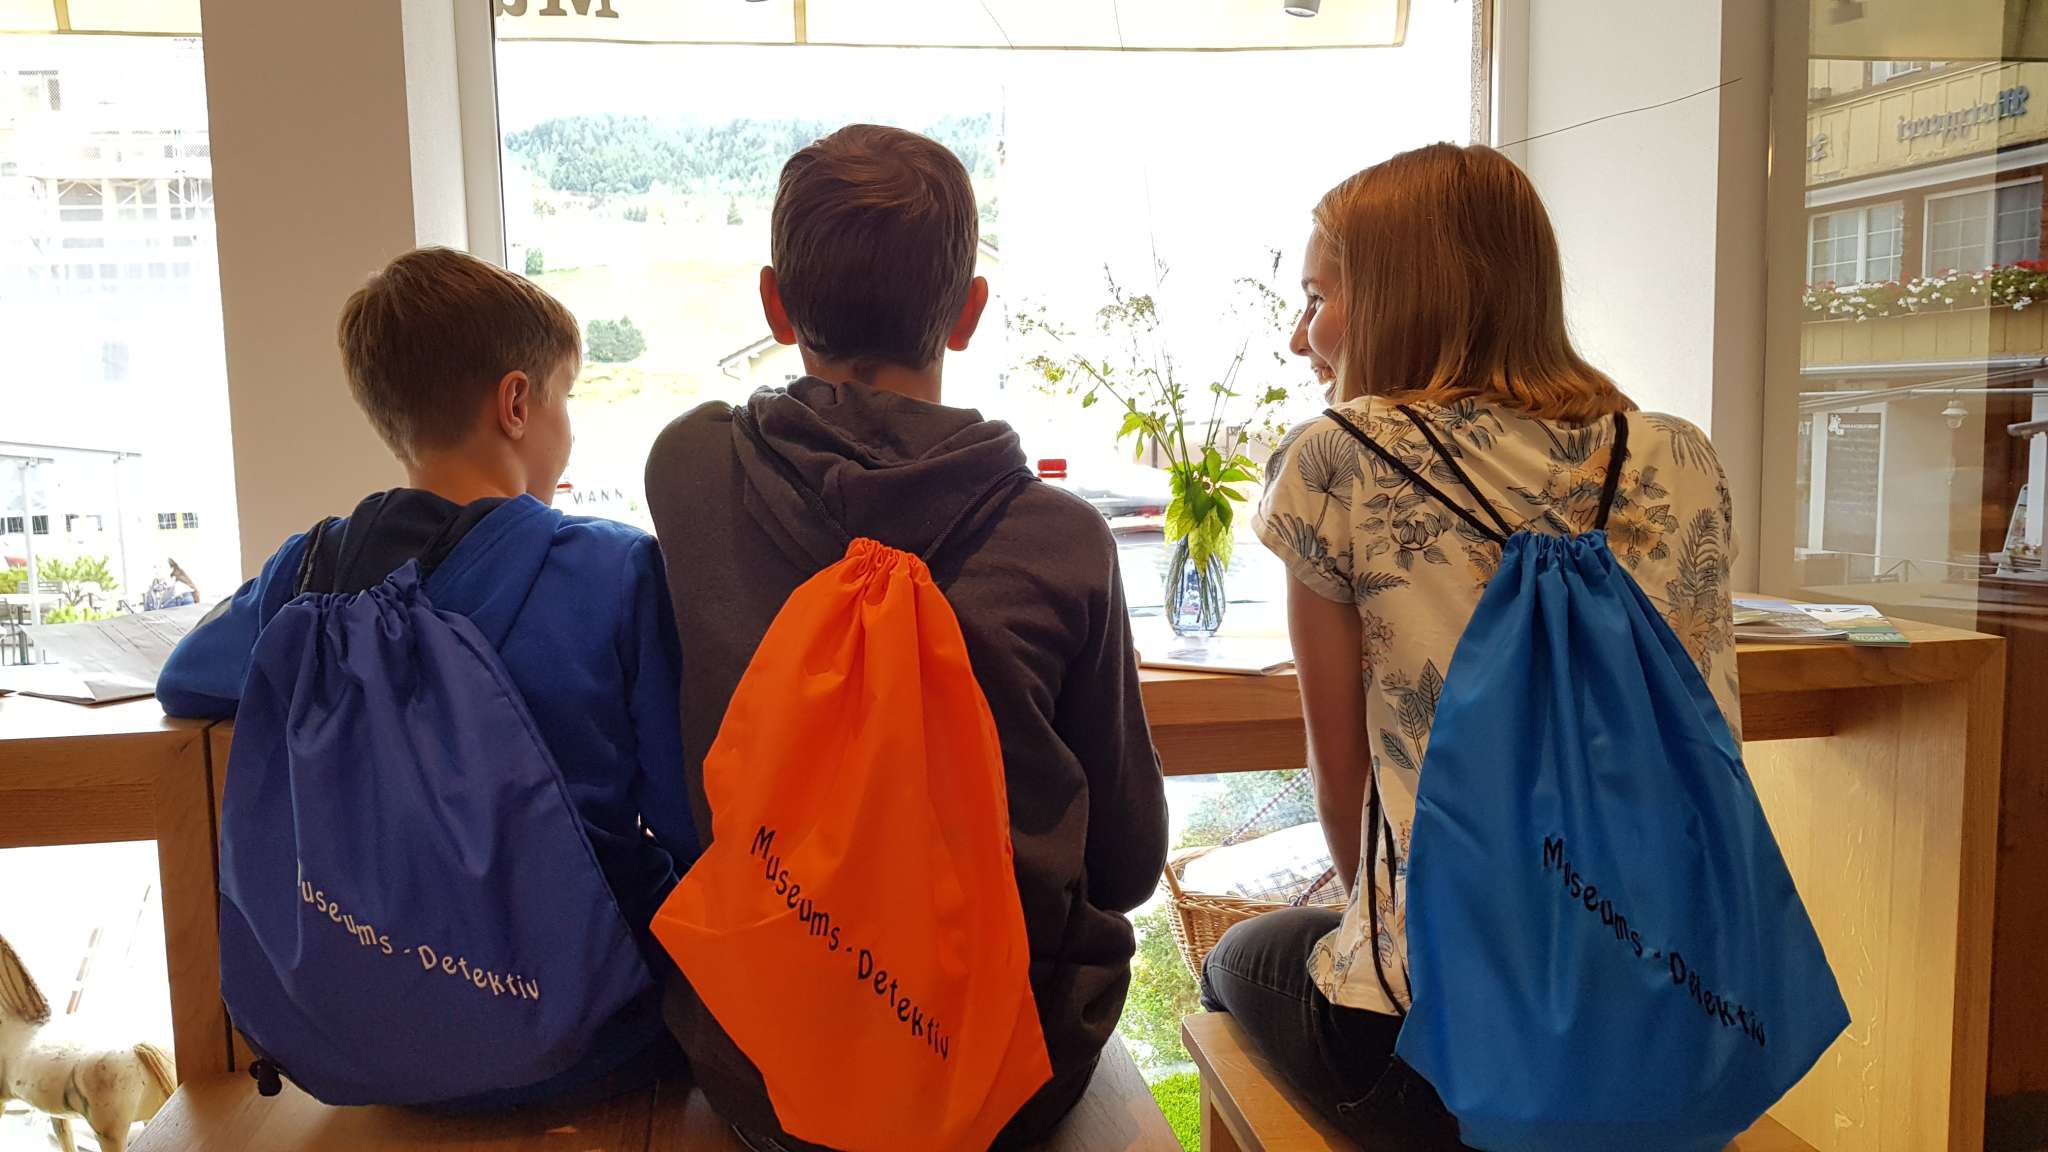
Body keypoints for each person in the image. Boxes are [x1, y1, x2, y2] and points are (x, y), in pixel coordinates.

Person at [1203, 144, 1744, 1148]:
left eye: (1317, 297)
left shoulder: (1338, 456)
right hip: (1682, 1017)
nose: (1298, 336)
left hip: (1453, 1054)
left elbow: (1341, 780)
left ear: (1394, 294)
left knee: (1235, 960)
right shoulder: (1677, 452)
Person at [643, 124, 1168, 1151]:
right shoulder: (1062, 541)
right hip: (999, 1088)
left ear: (774, 306)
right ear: (968, 311)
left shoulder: (689, 471)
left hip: (764, 1070)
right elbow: (1127, 865)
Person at [158, 246, 696, 1103]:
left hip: (351, 1039)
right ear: (516, 404)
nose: (567, 424)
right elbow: (685, 818)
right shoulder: (614, 568)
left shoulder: (310, 569)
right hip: (587, 1043)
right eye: (565, 396)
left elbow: (185, 679)